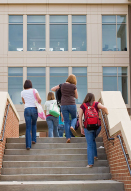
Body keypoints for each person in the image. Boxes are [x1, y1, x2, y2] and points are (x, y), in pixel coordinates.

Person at [79, 93, 109, 168]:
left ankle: (90, 163)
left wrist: (81, 127)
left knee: (90, 143)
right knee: (92, 140)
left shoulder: (83, 106)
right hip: (97, 127)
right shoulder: (96, 104)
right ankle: (95, 156)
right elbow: (104, 108)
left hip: (88, 127)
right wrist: (107, 113)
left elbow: (79, 117)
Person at [51, 74, 78, 143]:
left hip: (63, 105)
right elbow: (76, 96)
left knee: (66, 121)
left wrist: (60, 89)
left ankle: (68, 138)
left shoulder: (62, 85)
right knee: (74, 118)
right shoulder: (73, 86)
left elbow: (52, 89)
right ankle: (72, 126)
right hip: (72, 104)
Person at [21, 80, 41, 150]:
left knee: (28, 127)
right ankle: (33, 140)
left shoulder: (22, 92)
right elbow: (39, 99)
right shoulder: (34, 90)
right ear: (31, 85)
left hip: (27, 109)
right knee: (34, 124)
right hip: (34, 109)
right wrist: (38, 103)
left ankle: (28, 145)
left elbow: (23, 101)